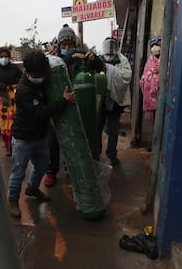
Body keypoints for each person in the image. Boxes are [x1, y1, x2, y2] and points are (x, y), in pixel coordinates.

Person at [7, 50, 76, 218]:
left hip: (39, 136)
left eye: (43, 73)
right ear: (28, 72)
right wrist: (63, 101)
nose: (41, 77)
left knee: (43, 165)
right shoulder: (23, 90)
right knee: (18, 172)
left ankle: (32, 188)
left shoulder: (40, 79)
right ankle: (13, 200)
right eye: (38, 74)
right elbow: (40, 113)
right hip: (23, 138)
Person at [43, 24, 103, 187]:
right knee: (54, 139)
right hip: (58, 103)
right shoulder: (54, 59)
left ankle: (74, 168)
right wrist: (73, 56)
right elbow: (57, 65)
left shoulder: (82, 55)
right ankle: (51, 171)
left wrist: (93, 58)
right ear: (59, 46)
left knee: (77, 136)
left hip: (78, 103)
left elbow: (100, 68)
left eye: (70, 45)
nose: (67, 48)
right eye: (64, 45)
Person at [97, 37, 132, 166]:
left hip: (116, 102)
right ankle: (96, 152)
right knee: (97, 128)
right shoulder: (98, 60)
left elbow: (126, 76)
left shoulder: (122, 60)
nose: (110, 56)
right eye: (108, 53)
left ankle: (112, 155)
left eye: (112, 53)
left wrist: (110, 69)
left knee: (113, 129)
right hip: (100, 103)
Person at [0, 47, 23, 156]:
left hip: (13, 97)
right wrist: (1, 86)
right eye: (2, 57)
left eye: (6, 57)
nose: (4, 59)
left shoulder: (15, 68)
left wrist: (15, 86)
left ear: (9, 57)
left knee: (14, 120)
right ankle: (7, 144)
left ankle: (16, 143)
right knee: (4, 122)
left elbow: (22, 79)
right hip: (1, 97)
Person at [140, 37, 161, 151]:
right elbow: (144, 76)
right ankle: (150, 143)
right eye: (153, 46)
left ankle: (158, 144)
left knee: (160, 119)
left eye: (157, 45)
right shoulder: (149, 60)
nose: (155, 48)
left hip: (160, 96)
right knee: (150, 121)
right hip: (149, 97)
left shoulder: (166, 59)